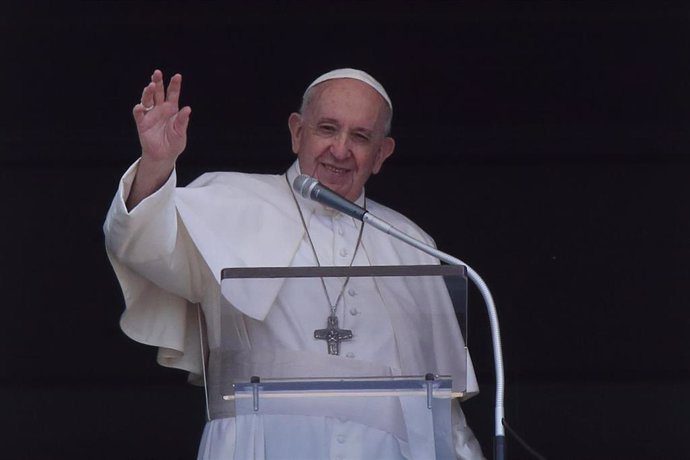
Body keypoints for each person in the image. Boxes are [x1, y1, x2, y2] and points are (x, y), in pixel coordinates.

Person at [104, 68, 486, 459]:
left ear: (381, 154)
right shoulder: (230, 202)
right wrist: (155, 162)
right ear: (297, 132)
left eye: (360, 136)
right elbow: (143, 244)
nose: (340, 150)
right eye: (327, 129)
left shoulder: (412, 245)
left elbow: (442, 403)